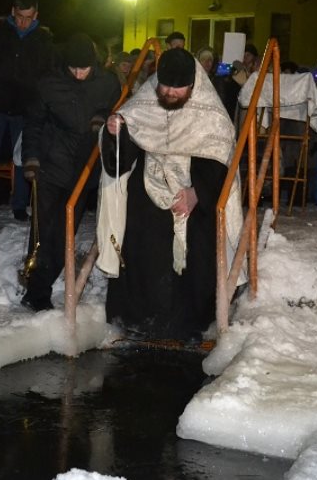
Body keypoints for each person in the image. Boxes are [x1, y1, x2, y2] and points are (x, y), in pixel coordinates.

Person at [97, 48, 243, 342]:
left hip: (195, 191)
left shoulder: (212, 116)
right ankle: (139, 318)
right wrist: (115, 133)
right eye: (165, 86)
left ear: (193, 85)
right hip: (149, 186)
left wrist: (197, 193)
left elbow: (220, 164)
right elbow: (120, 161)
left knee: (197, 242)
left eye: (179, 87)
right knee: (141, 233)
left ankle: (192, 322)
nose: (171, 92)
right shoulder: (144, 105)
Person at [19, 33, 121, 311]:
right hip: (51, 168)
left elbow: (118, 112)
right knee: (43, 232)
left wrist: (104, 116)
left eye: (84, 68)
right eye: (73, 68)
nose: (78, 73)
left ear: (93, 64)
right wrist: (31, 158)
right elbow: (34, 124)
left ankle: (41, 284)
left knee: (65, 234)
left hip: (84, 170)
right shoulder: (48, 84)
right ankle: (36, 292)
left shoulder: (108, 83)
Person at [0, 0, 56, 220]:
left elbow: (49, 74)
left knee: (21, 158)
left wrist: (35, 97)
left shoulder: (43, 41)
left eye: (28, 18)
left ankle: (19, 206)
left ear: (36, 15)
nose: (23, 22)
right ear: (13, 12)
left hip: (25, 110)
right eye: (19, 16)